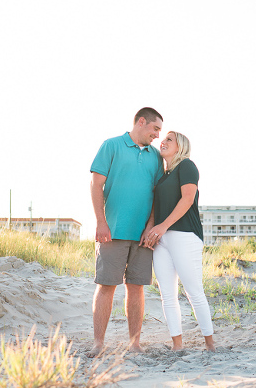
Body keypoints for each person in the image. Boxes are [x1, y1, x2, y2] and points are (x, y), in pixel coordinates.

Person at [88, 107, 164, 357]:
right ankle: (98, 343)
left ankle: (134, 344)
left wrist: (150, 226)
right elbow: (96, 184)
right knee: (106, 286)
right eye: (155, 128)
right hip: (113, 230)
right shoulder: (111, 145)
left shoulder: (156, 157)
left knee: (136, 287)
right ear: (141, 122)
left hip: (142, 236)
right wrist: (101, 222)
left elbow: (157, 194)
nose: (158, 135)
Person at [140, 131, 215, 352]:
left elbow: (188, 199)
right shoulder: (163, 176)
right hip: (161, 240)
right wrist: (151, 229)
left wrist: (163, 226)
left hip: (184, 235)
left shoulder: (187, 166)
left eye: (169, 139)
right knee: (167, 295)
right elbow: (156, 207)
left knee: (194, 292)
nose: (163, 142)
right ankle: (177, 345)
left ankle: (210, 344)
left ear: (180, 146)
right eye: (163, 139)